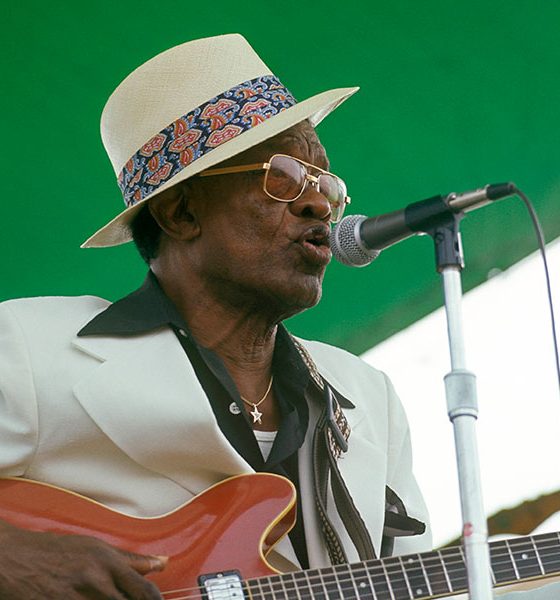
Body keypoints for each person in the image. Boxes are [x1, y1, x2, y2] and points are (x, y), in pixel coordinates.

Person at [1, 33, 553, 599]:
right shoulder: (31, 345)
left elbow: (411, 578)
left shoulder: (368, 396)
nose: (319, 204)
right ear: (181, 211)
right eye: (283, 176)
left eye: (325, 184)